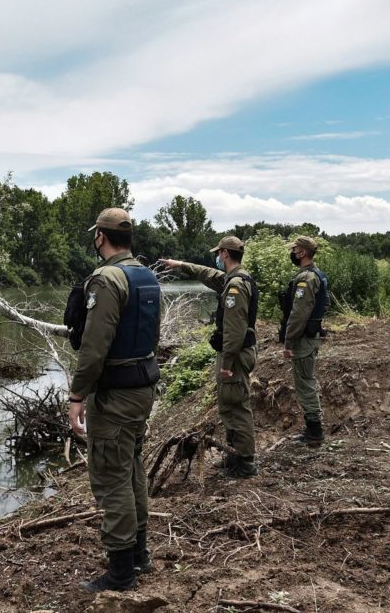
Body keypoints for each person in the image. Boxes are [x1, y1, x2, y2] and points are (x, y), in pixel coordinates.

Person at [66, 208, 162, 593]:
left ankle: (121, 572)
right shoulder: (146, 275)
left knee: (111, 477)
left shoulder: (107, 279)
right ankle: (139, 554)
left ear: (100, 238)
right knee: (132, 467)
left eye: (96, 236)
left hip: (117, 395)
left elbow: (94, 347)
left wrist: (77, 395)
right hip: (142, 387)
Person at [162, 235, 259, 478]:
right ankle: (234, 455)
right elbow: (207, 274)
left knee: (237, 406)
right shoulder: (234, 278)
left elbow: (235, 330)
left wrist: (226, 363)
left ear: (225, 254)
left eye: (219, 253)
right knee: (229, 403)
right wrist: (180, 265)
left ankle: (245, 462)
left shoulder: (235, 285)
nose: (216, 257)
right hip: (236, 354)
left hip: (235, 356)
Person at [279, 235, 328, 445]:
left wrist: (288, 342)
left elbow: (299, 314)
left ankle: (314, 432)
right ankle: (312, 430)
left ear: (304, 253)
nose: (293, 253)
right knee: (305, 382)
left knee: (305, 384)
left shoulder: (307, 278)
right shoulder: (311, 275)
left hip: (303, 340)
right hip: (308, 337)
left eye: (296, 249)